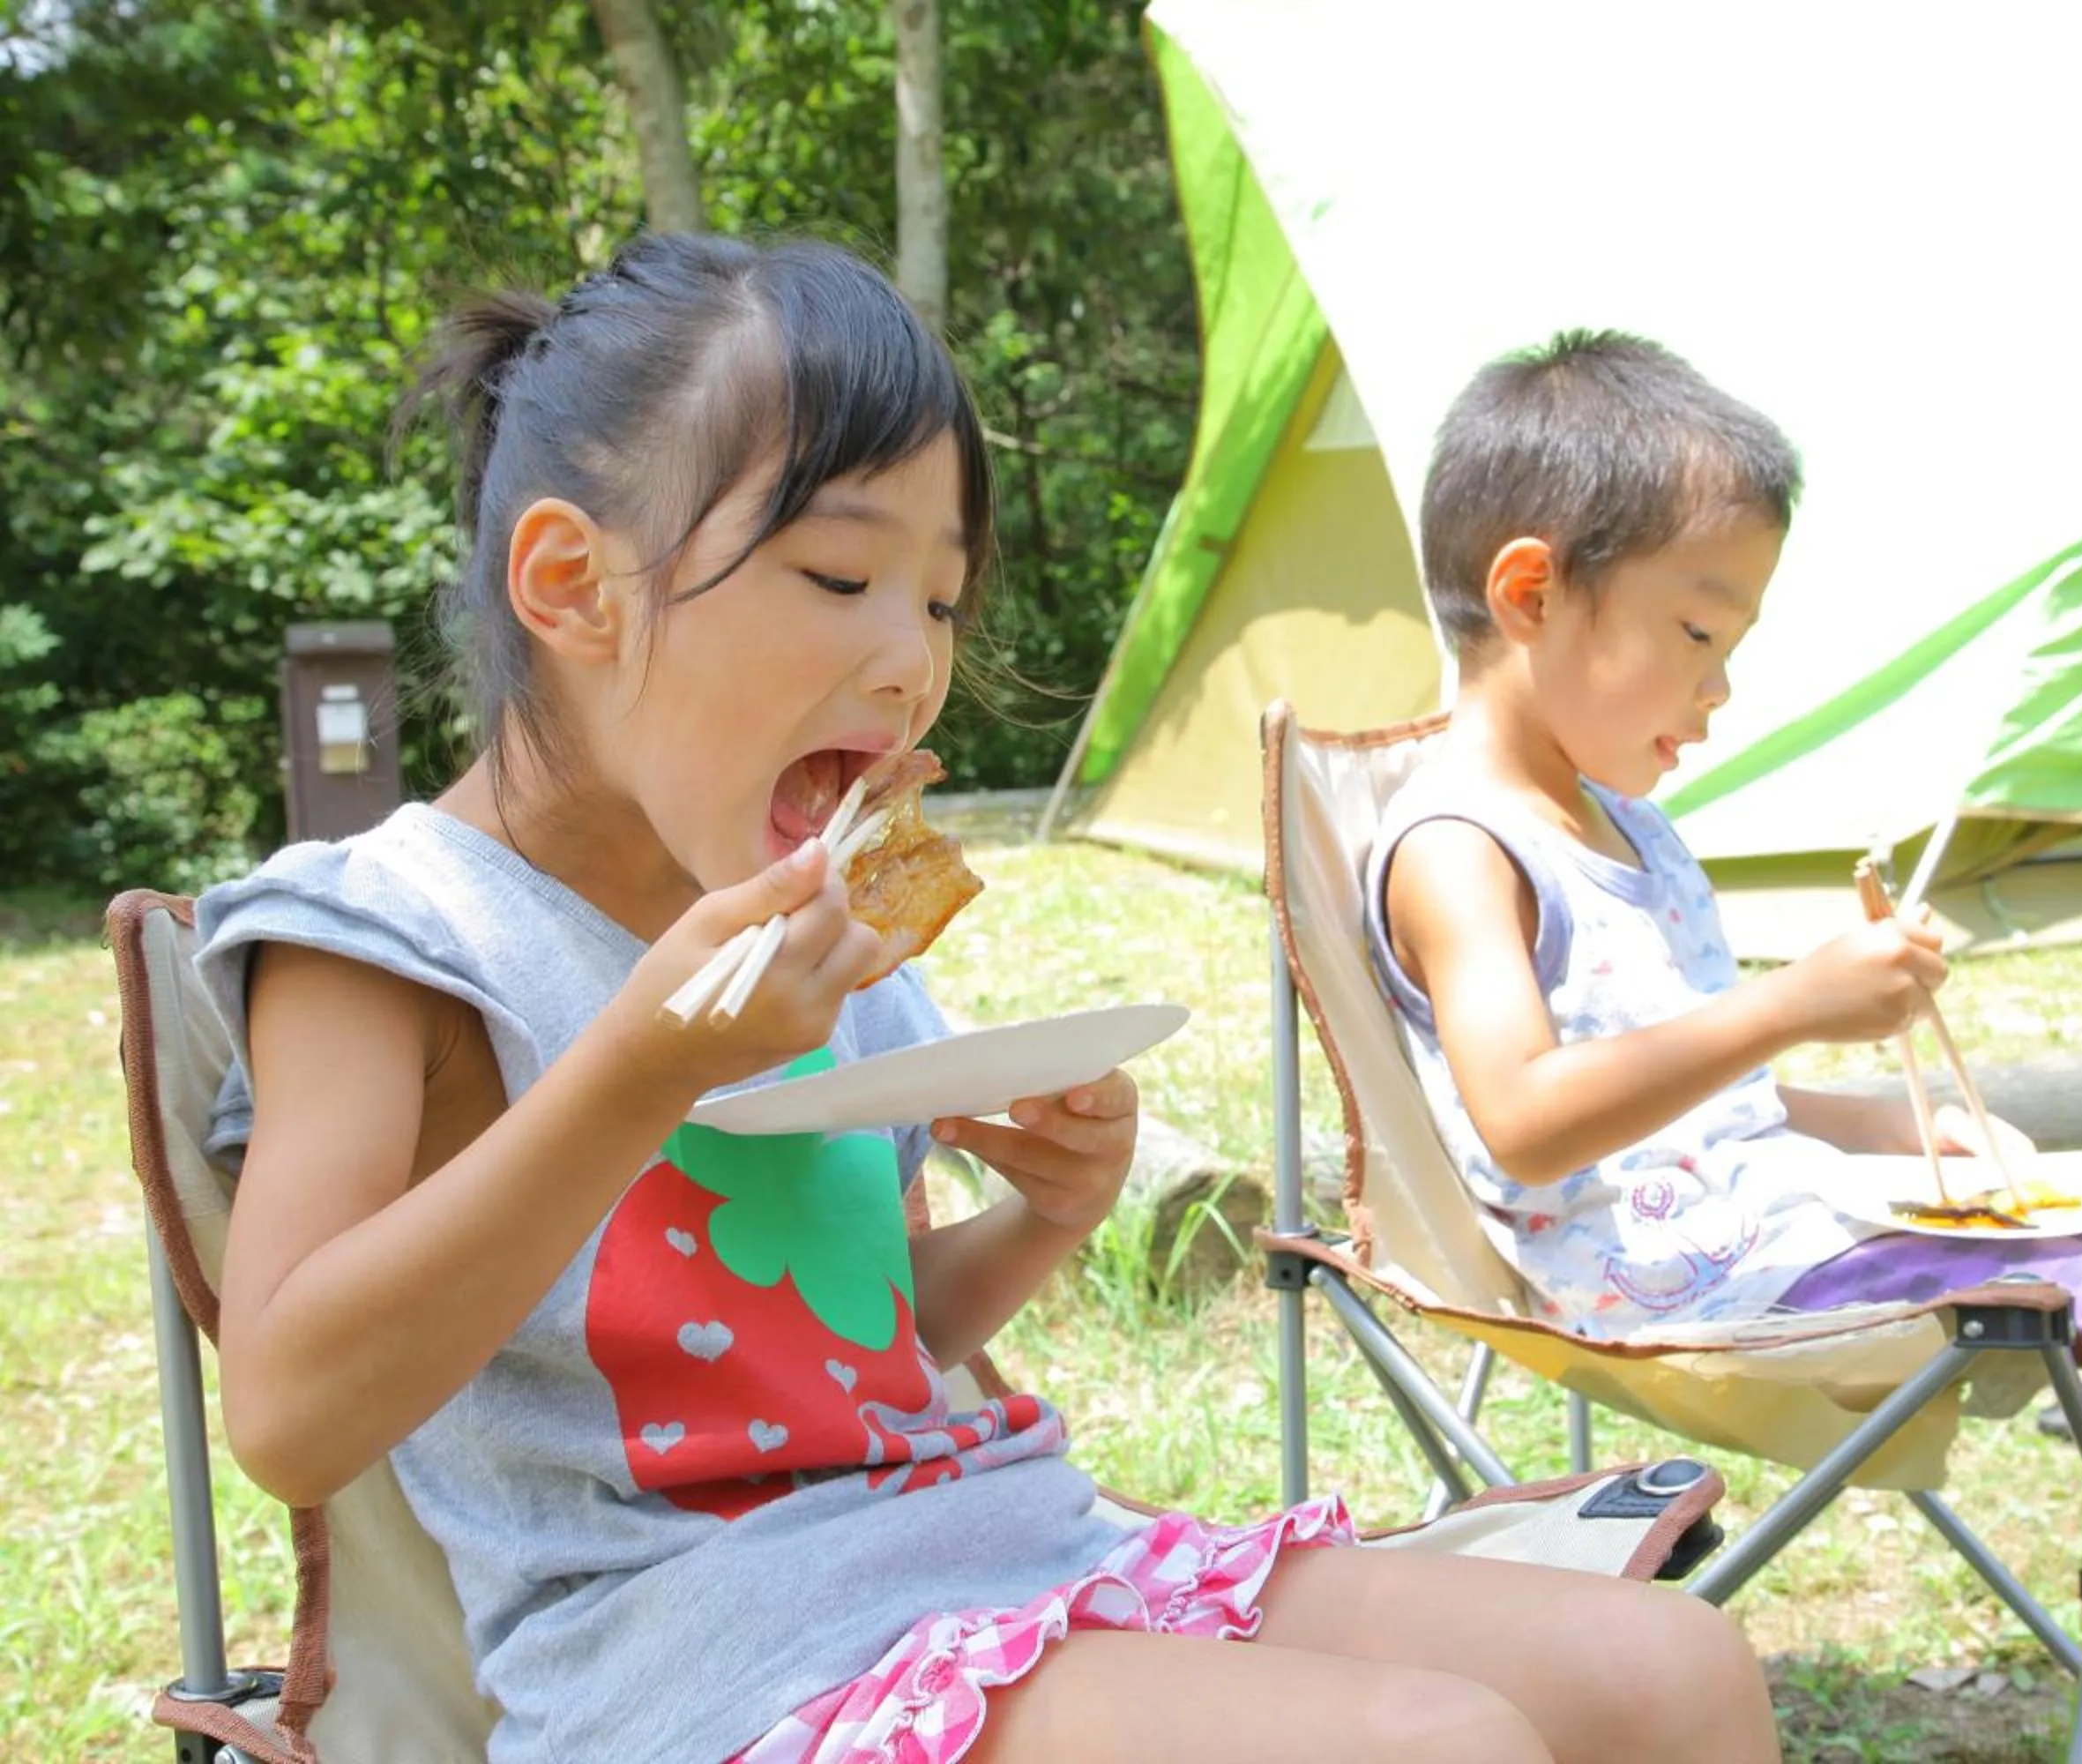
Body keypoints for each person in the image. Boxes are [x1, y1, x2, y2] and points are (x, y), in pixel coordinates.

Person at [192, 236, 1780, 1764]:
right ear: (570, 582)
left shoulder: (815, 920)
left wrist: (1042, 1219)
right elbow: (289, 1413)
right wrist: (636, 1077)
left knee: (1668, 1671)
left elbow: (847, 1353)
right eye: (838, 573)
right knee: (1437, 1745)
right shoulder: (385, 937)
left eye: (940, 602)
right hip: (703, 1661)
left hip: (1001, 1545)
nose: (910, 663)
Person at [1366, 329, 2082, 1764]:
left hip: (1776, 1228)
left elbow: (1712, 1103)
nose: (1721, 693)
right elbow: (1523, 1117)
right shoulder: (1460, 846)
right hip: (1686, 1288)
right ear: (1530, 591)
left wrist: (1892, 1123)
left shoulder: (1624, 826)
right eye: (1701, 637)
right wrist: (1789, 999)